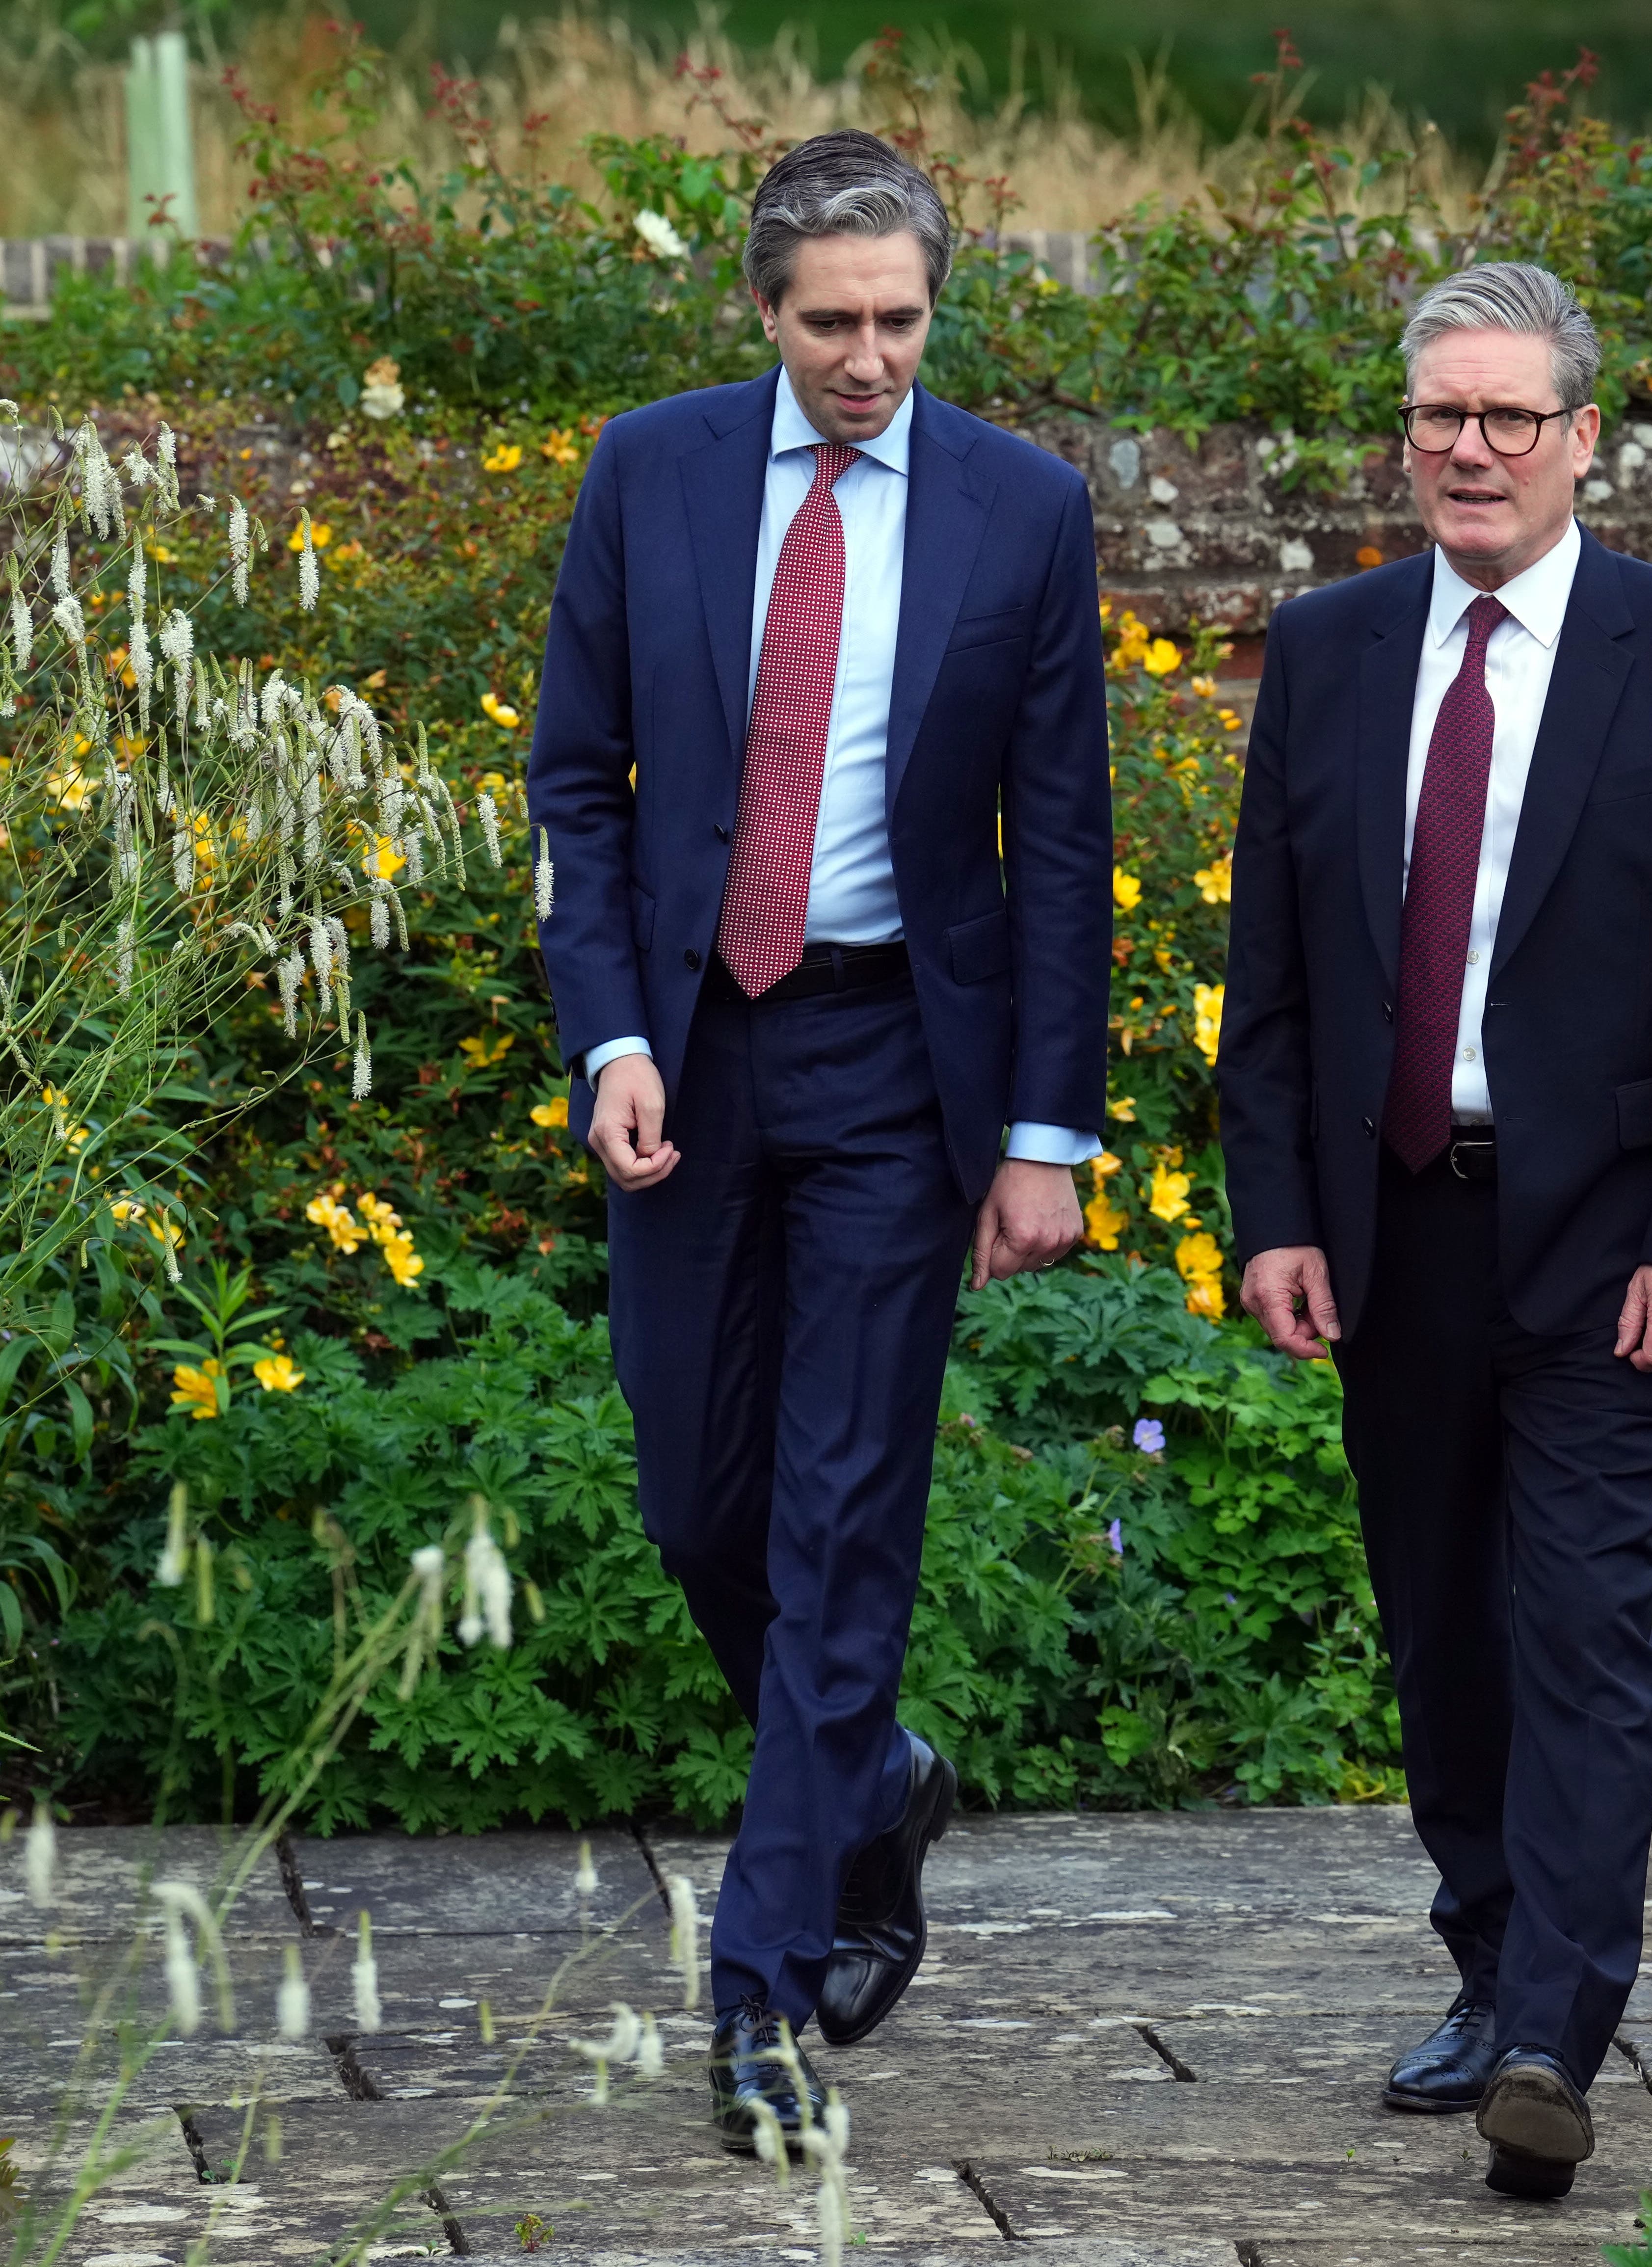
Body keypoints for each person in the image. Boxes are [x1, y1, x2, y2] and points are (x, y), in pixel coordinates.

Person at [527, 129, 1111, 2150]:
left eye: (904, 321)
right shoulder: (650, 473)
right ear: (762, 313)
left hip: (895, 1070)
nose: (872, 359)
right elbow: (576, 789)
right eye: (834, 323)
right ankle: (871, 1781)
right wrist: (608, 1033)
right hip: (693, 1059)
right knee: (700, 1501)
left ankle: (760, 1986)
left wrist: (1046, 1134)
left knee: (845, 1517)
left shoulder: (1024, 511)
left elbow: (1064, 834)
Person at [1217, 261, 1652, 2201]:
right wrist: (1277, 1211)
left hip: (1613, 1245)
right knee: (1443, 1631)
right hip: (1395, 1232)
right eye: (1438, 418)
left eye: (1506, 419)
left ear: (1582, 438)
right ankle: (1491, 1966)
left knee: (1577, 1625)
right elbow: (1275, 975)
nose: (1468, 451)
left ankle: (1556, 2029)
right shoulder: (1327, 650)